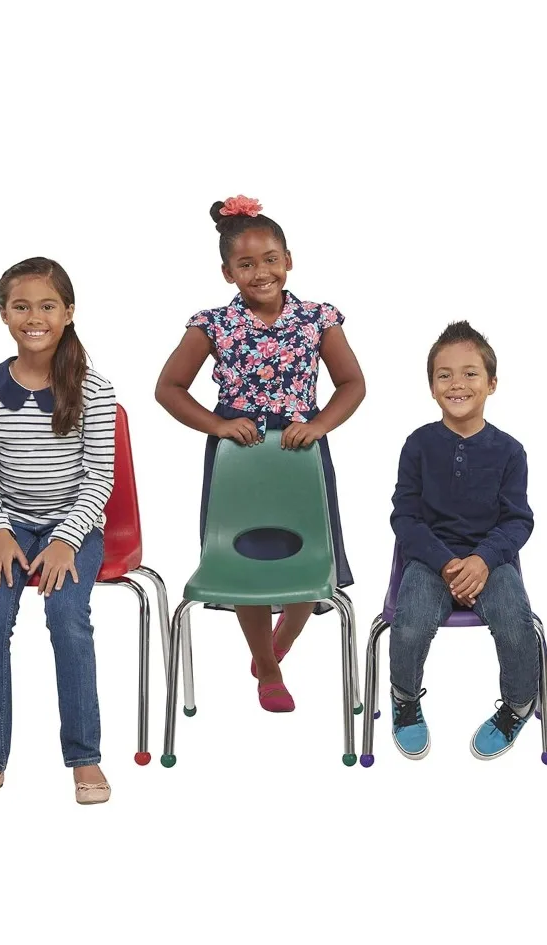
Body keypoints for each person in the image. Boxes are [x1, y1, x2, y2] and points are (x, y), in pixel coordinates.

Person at [155, 196, 365, 712]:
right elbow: (169, 388)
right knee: (246, 560)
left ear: (289, 260)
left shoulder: (318, 319)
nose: (260, 272)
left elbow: (352, 383)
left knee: (308, 560)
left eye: (270, 258)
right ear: (228, 272)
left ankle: (283, 640)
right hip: (240, 466)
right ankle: (267, 670)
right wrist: (220, 425)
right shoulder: (212, 325)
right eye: (245, 264)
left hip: (300, 459)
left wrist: (317, 425)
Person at [0, 258, 116, 806]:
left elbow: (99, 478)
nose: (34, 317)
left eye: (47, 306)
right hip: (10, 525)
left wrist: (65, 540)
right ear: (4, 314)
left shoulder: (93, 388)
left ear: (67, 314)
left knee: (67, 616)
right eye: (21, 306)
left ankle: (85, 757)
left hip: (76, 527)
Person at [388, 321, 539, 760]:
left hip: (490, 562)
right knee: (410, 621)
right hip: (430, 561)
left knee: (516, 622)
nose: (458, 384)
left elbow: (518, 520)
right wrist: (443, 562)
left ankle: (517, 705)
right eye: (445, 375)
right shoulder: (417, 446)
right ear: (432, 387)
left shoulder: (510, 451)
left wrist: (483, 560)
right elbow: (405, 516)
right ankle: (405, 699)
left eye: (470, 373)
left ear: (491, 383)